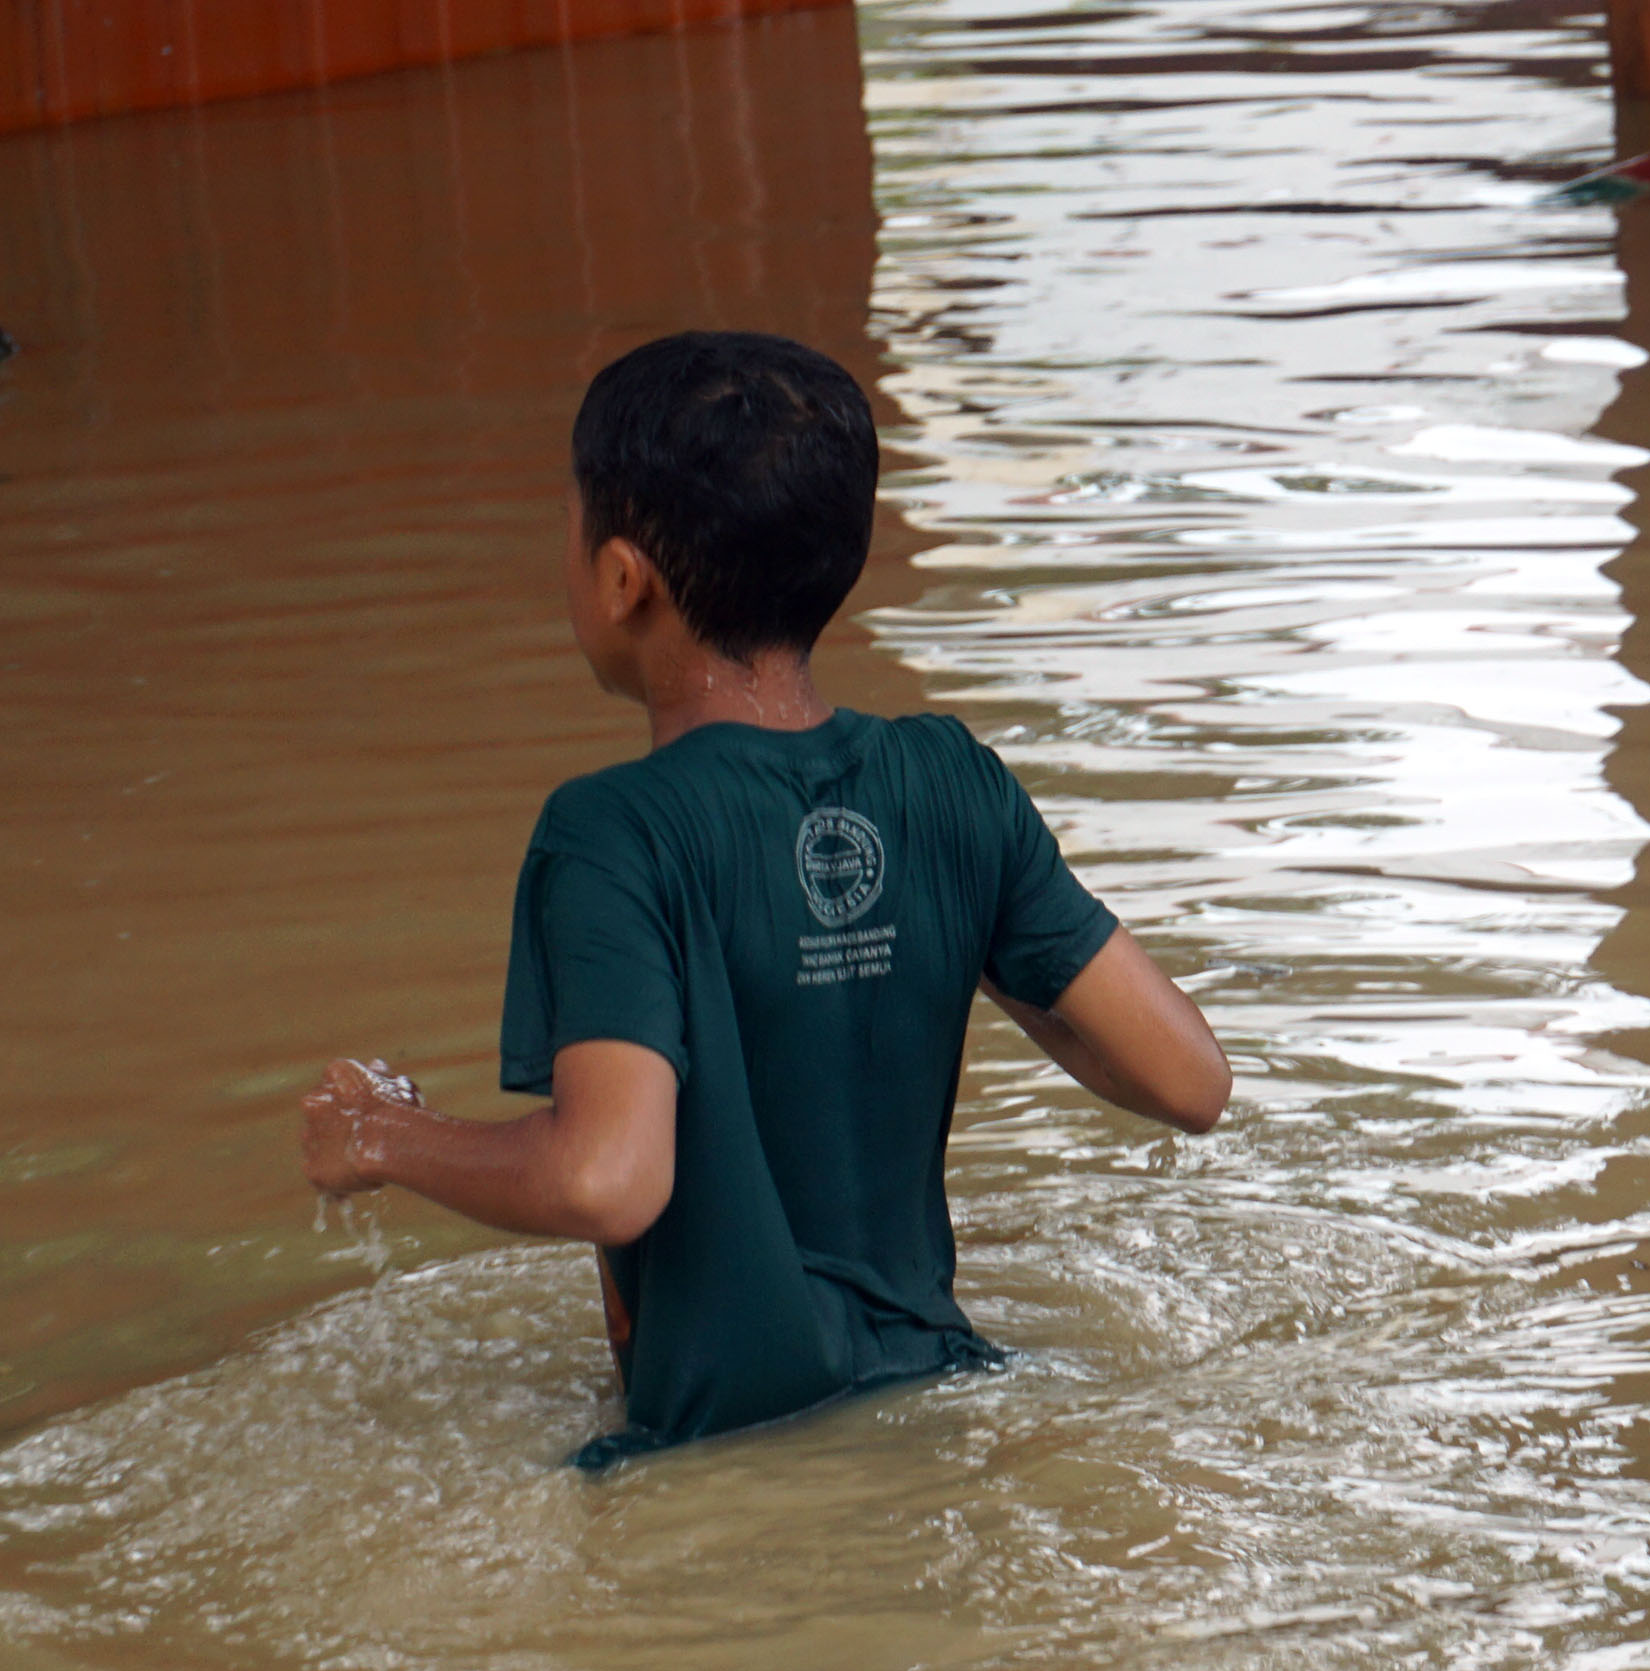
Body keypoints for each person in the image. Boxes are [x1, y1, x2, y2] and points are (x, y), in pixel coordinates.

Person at [296, 332, 1231, 1467]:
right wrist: (962, 922)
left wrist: (381, 1137)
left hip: (715, 1470)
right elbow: (1190, 1080)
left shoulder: (612, 833)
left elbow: (605, 1179)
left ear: (622, 576)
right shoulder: (950, 783)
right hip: (941, 1409)